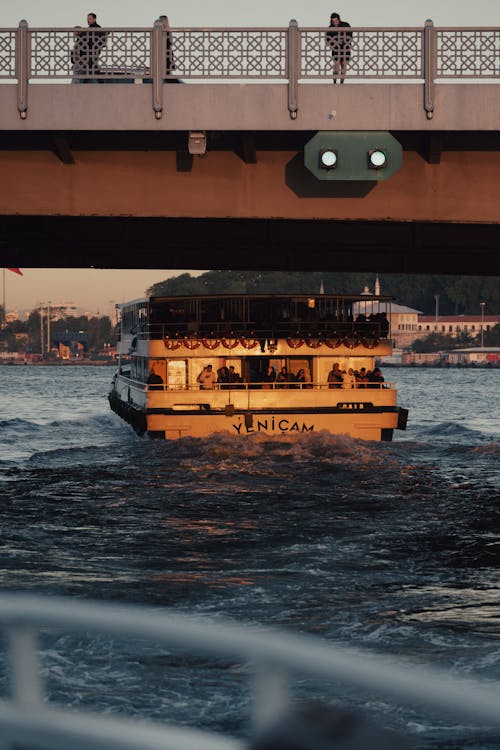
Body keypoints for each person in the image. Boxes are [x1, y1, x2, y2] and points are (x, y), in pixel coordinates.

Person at [326, 12, 352, 84]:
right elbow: (327, 40)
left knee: (344, 64)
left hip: (345, 48)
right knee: (336, 66)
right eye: (333, 21)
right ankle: (334, 81)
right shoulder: (330, 28)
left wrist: (343, 40)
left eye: (336, 21)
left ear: (339, 19)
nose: (335, 23)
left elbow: (350, 35)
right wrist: (336, 42)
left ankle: (342, 82)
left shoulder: (346, 25)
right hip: (336, 49)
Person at [84, 12, 107, 82]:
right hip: (90, 51)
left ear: (94, 19)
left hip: (92, 51)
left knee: (91, 66)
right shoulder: (90, 28)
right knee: (91, 66)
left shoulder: (97, 28)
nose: (88, 20)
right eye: (87, 19)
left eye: (90, 19)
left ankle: (99, 81)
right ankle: (99, 80)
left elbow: (102, 39)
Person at [159, 15, 180, 83]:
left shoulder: (167, 31)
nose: (162, 22)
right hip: (162, 52)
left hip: (167, 52)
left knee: (167, 71)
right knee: (164, 71)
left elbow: (170, 42)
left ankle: (173, 83)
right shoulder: (160, 30)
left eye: (163, 21)